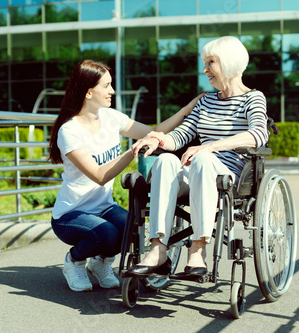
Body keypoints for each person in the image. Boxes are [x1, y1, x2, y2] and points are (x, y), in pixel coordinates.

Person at [49, 59, 203, 291]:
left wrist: (186, 110)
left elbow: (155, 132)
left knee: (133, 229)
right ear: (89, 92)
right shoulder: (69, 131)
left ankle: (100, 264)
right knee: (107, 235)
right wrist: (133, 151)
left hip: (103, 207)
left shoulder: (111, 118)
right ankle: (74, 261)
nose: (112, 91)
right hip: (71, 214)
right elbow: (99, 175)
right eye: (106, 86)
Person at [128, 36, 269, 278]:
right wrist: (157, 139)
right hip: (196, 172)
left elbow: (258, 133)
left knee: (202, 159)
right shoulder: (205, 101)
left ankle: (198, 249)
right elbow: (181, 136)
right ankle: (158, 249)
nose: (205, 70)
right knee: (165, 160)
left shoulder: (252, 98)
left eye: (210, 63)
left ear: (229, 62)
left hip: (228, 177)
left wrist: (210, 147)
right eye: (204, 63)